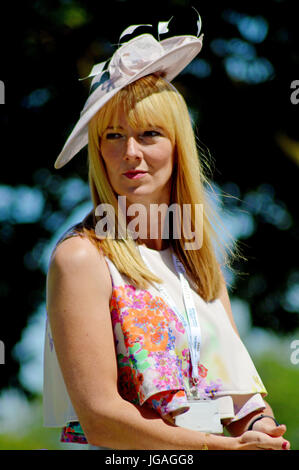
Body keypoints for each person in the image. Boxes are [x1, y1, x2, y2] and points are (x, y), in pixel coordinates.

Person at [43, 17, 290, 450]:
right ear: (98, 149)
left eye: (149, 134)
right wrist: (218, 448)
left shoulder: (198, 260)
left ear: (179, 145)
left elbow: (236, 390)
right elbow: (100, 417)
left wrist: (260, 429)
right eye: (113, 136)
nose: (130, 153)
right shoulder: (82, 257)